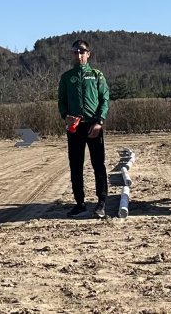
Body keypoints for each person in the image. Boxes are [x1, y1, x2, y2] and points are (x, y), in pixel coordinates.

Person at [58, 39, 110, 218]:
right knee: (76, 165)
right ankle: (79, 203)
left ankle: (101, 202)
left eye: (82, 51)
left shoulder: (97, 75)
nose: (78, 55)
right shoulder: (66, 77)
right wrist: (66, 115)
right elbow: (61, 102)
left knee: (98, 164)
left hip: (94, 126)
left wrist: (99, 122)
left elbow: (104, 99)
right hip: (75, 127)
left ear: (88, 54)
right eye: (75, 52)